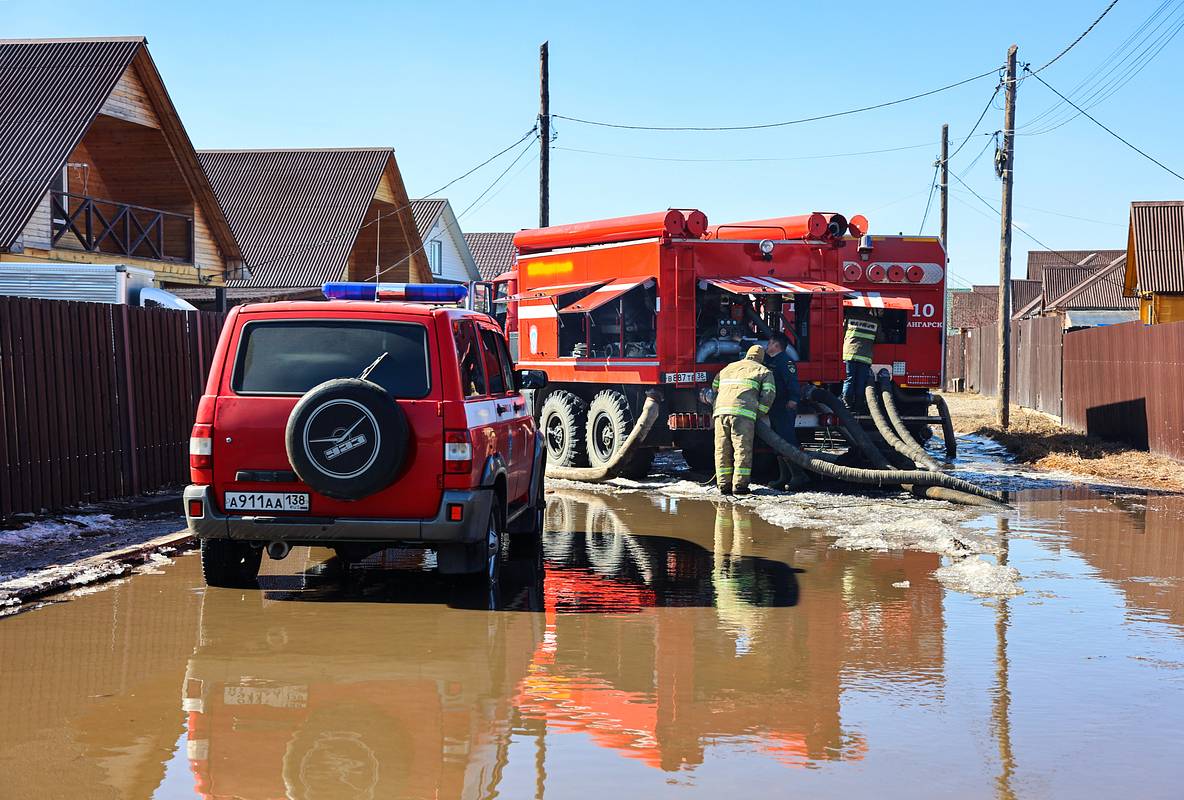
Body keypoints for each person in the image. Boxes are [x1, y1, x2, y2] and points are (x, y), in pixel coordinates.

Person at [711, 345, 776, 495]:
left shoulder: (729, 367)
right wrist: (758, 413)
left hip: (720, 412)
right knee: (742, 450)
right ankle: (740, 486)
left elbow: (714, 386)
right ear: (761, 358)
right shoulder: (763, 371)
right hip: (743, 414)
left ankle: (723, 484)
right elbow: (769, 395)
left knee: (722, 449)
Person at [765, 332, 809, 490]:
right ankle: (783, 477)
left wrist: (793, 399)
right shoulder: (772, 360)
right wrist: (740, 341)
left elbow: (792, 382)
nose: (767, 346)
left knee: (787, 440)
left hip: (785, 407)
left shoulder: (785, 361)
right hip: (775, 407)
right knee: (777, 441)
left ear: (776, 345)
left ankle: (799, 476)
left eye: (769, 343)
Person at [841, 310, 881, 409]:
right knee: (861, 382)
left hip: (849, 354)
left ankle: (846, 404)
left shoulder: (849, 317)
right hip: (865, 356)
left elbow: (841, 332)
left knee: (849, 380)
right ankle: (858, 405)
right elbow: (880, 339)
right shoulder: (875, 321)